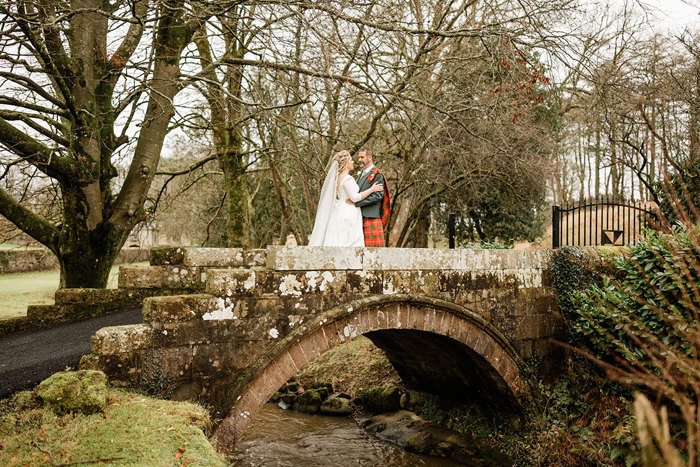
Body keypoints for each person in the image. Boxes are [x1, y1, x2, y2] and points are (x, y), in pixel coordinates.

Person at [308, 150, 384, 247]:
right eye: (351, 160)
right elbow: (355, 197)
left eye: (361, 157)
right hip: (348, 212)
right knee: (349, 241)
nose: (353, 162)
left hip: (340, 210)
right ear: (345, 163)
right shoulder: (347, 178)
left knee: (340, 239)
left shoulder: (338, 178)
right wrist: (372, 189)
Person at [346, 147, 391, 247]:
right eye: (359, 157)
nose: (359, 160)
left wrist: (356, 203)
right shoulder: (361, 175)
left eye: (362, 157)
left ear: (370, 157)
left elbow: (377, 196)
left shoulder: (377, 174)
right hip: (359, 218)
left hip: (371, 218)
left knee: (374, 253)